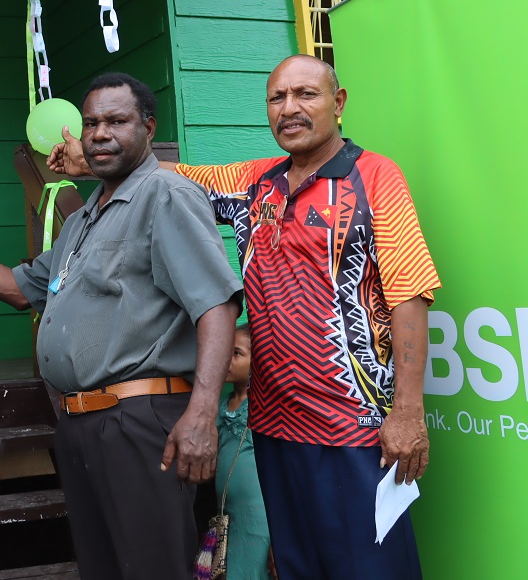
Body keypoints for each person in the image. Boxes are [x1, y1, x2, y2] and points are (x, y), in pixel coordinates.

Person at [48, 55, 440, 580]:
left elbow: (409, 294)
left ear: (339, 104)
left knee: (371, 568)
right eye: (277, 98)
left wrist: (408, 412)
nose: (289, 109)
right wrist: (92, 161)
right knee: (299, 564)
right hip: (275, 424)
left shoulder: (375, 176)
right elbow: (173, 175)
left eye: (306, 95)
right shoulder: (255, 183)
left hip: (357, 425)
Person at [0, 73, 242, 580]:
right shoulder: (86, 217)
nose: (100, 133)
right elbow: (19, 288)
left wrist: (201, 414)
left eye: (116, 121)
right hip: (82, 425)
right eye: (91, 123)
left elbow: (216, 305)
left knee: (152, 568)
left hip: (141, 422)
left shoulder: (166, 196)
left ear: (148, 127)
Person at [215, 325, 271, 580]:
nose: (226, 359)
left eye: (236, 353)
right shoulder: (219, 405)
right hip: (227, 516)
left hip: (260, 516)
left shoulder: (266, 407)